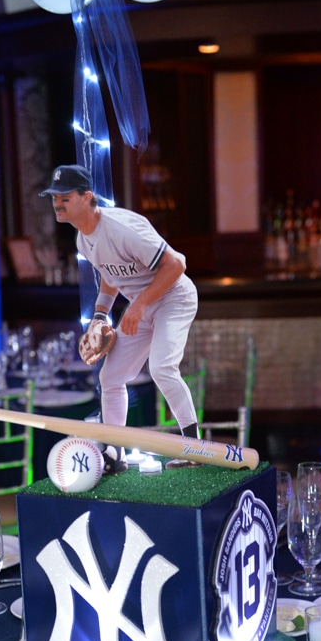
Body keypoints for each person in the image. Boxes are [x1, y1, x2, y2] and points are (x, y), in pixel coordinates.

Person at [40, 164, 199, 473]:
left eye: (65, 196)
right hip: (145, 305)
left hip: (174, 297)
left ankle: (195, 448)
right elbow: (110, 274)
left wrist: (138, 306)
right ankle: (115, 453)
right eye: (53, 197)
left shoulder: (121, 228)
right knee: (110, 378)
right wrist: (100, 315)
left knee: (162, 368)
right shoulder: (83, 239)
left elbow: (176, 265)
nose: (57, 203)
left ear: (87, 197)